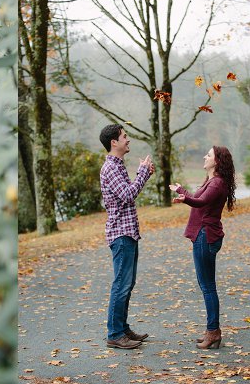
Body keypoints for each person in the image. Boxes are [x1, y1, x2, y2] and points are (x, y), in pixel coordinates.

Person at [168, 146, 236, 350]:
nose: (205, 157)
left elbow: (200, 202)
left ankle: (213, 332)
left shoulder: (216, 183)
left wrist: (184, 196)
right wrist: (183, 192)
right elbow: (199, 200)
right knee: (207, 285)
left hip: (205, 236)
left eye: (209, 155)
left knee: (208, 287)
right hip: (205, 235)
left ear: (217, 161)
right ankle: (211, 330)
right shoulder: (212, 181)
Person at [98, 124, 154, 349]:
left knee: (127, 284)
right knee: (121, 284)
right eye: (124, 136)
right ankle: (115, 334)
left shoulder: (118, 165)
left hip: (128, 232)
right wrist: (143, 172)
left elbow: (128, 194)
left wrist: (144, 174)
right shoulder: (110, 168)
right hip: (120, 233)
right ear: (114, 142)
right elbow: (128, 194)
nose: (128, 139)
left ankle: (122, 328)